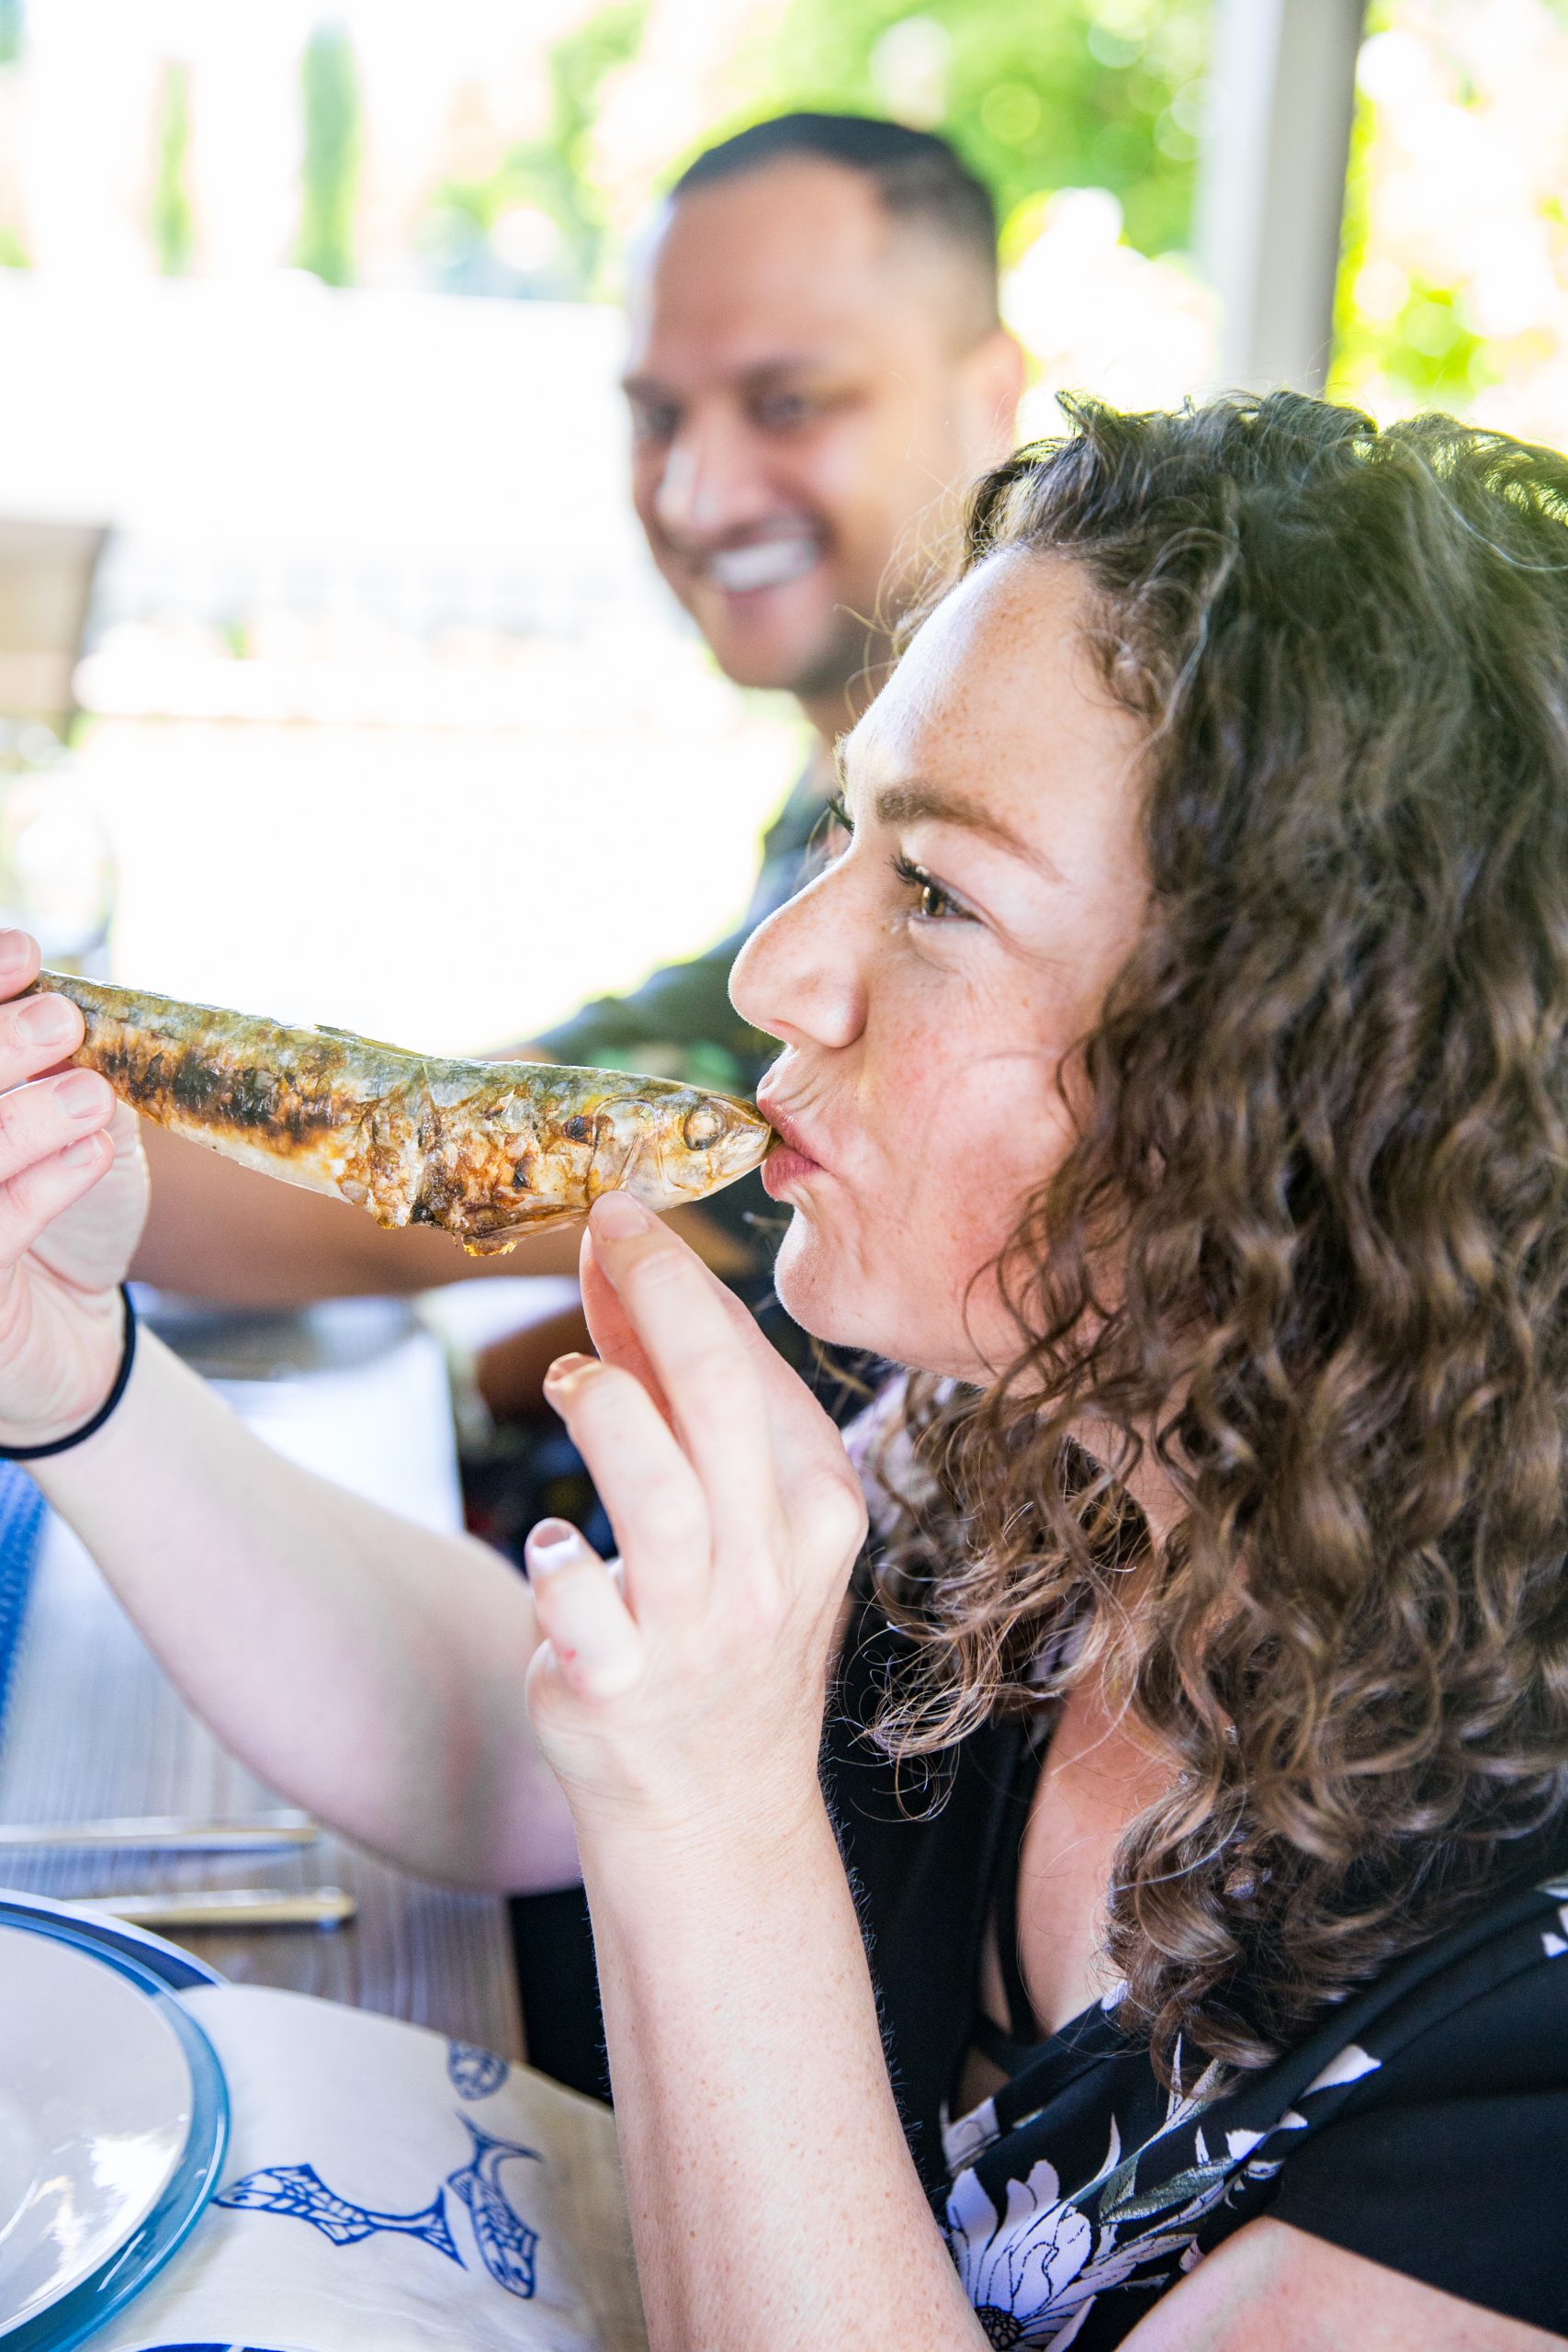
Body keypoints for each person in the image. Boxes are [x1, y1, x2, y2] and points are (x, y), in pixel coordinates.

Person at [6, 386, 1565, 2348]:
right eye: (846, 829)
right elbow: (516, 1752)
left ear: (1306, 1069)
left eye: (935, 892)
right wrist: (75, 1368)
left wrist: (712, 1809)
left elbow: (650, 1800)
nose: (772, 972)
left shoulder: (1525, 2038)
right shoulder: (1044, 1435)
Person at [127, 110, 1025, 1339]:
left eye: (790, 402)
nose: (695, 492)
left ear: (993, 397)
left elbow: (439, 1160)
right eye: (657, 416)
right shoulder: (842, 783)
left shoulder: (1009, 817)